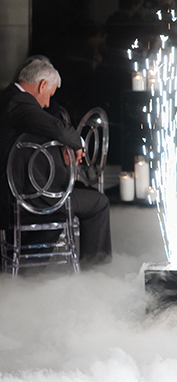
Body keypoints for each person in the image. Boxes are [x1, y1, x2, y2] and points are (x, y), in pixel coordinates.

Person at [0, 59, 112, 265]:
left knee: (74, 195)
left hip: (23, 191)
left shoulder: (8, 98)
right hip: (25, 197)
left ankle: (30, 271)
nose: (46, 104)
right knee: (99, 203)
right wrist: (77, 142)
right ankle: (97, 273)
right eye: (49, 95)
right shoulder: (19, 102)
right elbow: (56, 126)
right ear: (42, 85)